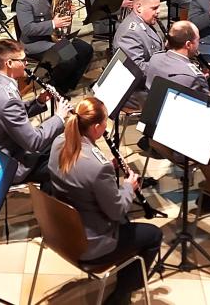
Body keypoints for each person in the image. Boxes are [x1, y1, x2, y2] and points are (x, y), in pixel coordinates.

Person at [48, 97, 162, 305]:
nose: (106, 127)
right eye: (104, 122)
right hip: (90, 244)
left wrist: (109, 168)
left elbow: (80, 176)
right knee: (153, 235)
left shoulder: (58, 142)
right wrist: (129, 186)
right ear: (96, 127)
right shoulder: (98, 167)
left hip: (63, 232)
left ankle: (126, 267)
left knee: (129, 226)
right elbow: (117, 211)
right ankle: (121, 295)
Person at [0, 40, 70, 187]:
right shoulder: (7, 98)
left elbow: (13, 114)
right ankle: (51, 196)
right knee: (63, 153)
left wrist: (39, 102)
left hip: (3, 146)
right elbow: (34, 142)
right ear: (9, 63)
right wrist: (59, 117)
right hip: (11, 163)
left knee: (56, 137)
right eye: (22, 60)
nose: (26, 63)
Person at [16, 0, 94, 95]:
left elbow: (56, 11)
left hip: (53, 38)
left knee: (85, 49)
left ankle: (67, 86)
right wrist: (53, 24)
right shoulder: (25, 0)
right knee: (68, 58)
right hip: (36, 43)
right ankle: (55, 90)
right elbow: (27, 29)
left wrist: (68, 10)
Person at [114, 0, 166, 99]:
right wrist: (167, 65)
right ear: (138, 8)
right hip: (138, 91)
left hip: (151, 80)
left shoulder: (146, 21)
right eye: (154, 8)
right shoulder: (129, 33)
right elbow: (137, 69)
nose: (158, 11)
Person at [144, 21, 209, 92]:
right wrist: (202, 81)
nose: (198, 44)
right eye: (198, 40)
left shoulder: (155, 58)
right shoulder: (195, 77)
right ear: (188, 45)